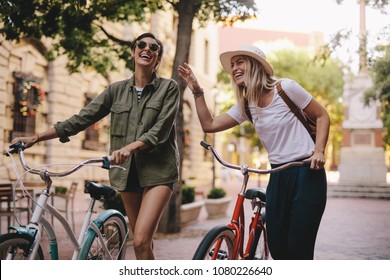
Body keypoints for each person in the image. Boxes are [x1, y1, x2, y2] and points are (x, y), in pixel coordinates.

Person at [11, 32, 180, 260]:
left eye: (153, 47)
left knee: (139, 240)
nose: (146, 48)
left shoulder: (169, 88)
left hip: (159, 171)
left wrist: (129, 148)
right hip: (126, 173)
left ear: (158, 59)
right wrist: (36, 137)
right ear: (133, 52)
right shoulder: (116, 90)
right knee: (143, 244)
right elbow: (81, 119)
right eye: (141, 44)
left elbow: (159, 131)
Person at [178, 45, 330, 260]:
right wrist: (197, 90)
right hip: (277, 175)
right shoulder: (246, 105)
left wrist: (319, 151)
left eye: (240, 62)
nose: (235, 68)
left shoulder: (285, 88)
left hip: (307, 172)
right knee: (277, 247)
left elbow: (322, 115)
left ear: (256, 65)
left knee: (298, 249)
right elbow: (209, 124)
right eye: (232, 65)